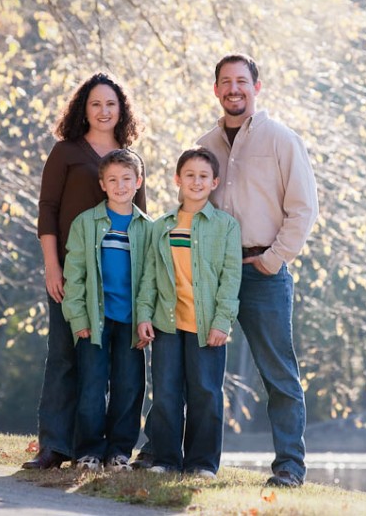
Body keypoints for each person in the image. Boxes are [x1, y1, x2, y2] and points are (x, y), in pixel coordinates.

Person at [196, 54, 319, 487]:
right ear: (215, 89)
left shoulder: (282, 140)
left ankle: (289, 466)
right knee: (203, 371)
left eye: (242, 81)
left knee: (279, 374)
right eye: (225, 82)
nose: (234, 89)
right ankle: (200, 462)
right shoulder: (204, 145)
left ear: (256, 87)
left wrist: (273, 259)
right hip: (213, 275)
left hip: (264, 271)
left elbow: (304, 209)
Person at [24, 73, 147, 470]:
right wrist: (52, 266)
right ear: (84, 108)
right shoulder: (66, 152)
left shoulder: (129, 158)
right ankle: (54, 445)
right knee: (64, 356)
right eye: (96, 104)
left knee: (116, 368)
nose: (104, 111)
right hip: (72, 276)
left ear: (121, 109)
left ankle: (102, 450)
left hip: (117, 282)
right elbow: (48, 210)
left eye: (111, 104)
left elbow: (143, 222)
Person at [135, 147, 241, 479]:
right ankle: (166, 459)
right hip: (167, 324)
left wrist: (223, 321)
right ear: (178, 179)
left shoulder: (225, 226)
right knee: (165, 393)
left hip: (208, 325)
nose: (196, 182)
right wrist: (143, 315)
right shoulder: (161, 225)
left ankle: (202, 463)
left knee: (206, 395)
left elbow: (230, 278)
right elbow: (149, 274)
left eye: (203, 176)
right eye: (190, 175)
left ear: (215, 182)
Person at [61, 149, 152, 471]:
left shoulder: (148, 228)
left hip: (131, 323)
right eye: (112, 179)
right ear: (102, 184)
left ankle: (119, 452)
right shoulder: (86, 223)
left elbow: (150, 280)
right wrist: (78, 318)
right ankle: (88, 451)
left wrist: (145, 318)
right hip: (95, 321)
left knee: (129, 389)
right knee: (92, 387)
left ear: (138, 182)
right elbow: (74, 275)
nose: (120, 185)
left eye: (127, 179)